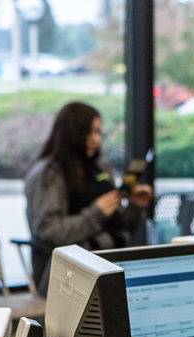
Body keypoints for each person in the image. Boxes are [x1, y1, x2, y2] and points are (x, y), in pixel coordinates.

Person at [24, 101, 153, 295]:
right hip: (72, 277)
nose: (96, 139)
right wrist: (94, 215)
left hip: (113, 265)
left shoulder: (100, 167)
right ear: (72, 134)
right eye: (90, 132)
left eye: (98, 132)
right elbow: (48, 231)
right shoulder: (49, 174)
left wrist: (135, 206)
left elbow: (124, 226)